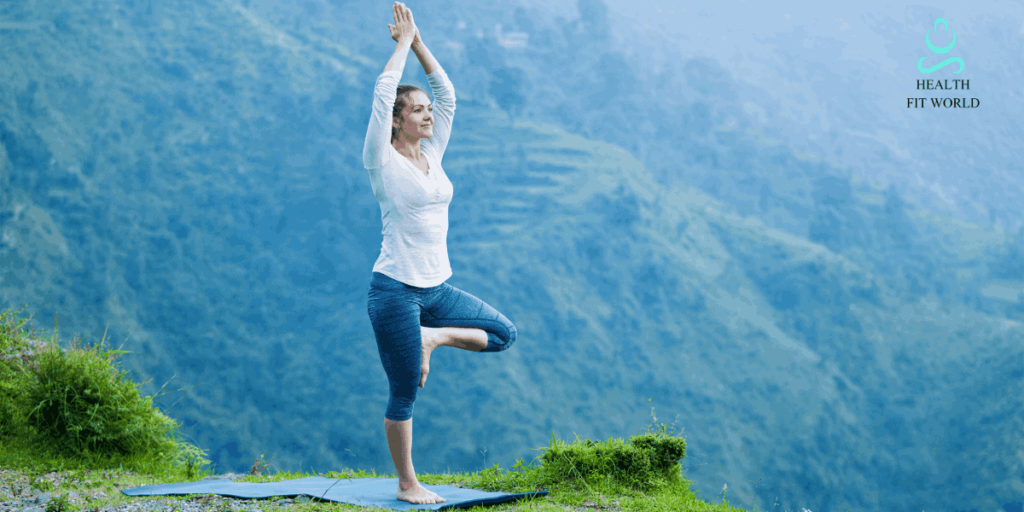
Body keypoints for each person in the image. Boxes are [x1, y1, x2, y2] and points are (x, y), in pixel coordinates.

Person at [363, 2, 518, 505]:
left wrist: (421, 42)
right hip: (394, 292)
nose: (428, 115)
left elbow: (448, 95)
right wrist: (401, 47)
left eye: (427, 111)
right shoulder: (380, 160)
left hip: (436, 289)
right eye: (417, 111)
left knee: (502, 333)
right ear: (395, 122)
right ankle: (407, 483)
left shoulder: (433, 153)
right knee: (404, 391)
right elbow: (383, 92)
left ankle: (435, 338)